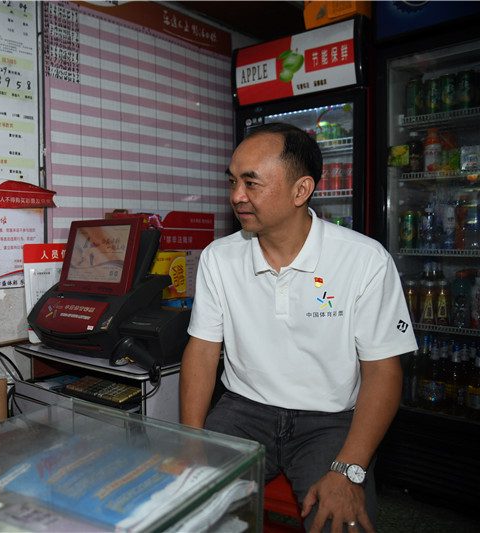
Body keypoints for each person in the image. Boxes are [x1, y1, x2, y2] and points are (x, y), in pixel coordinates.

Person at [179, 123, 417, 533]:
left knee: (341, 521)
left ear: (301, 190)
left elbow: (383, 370)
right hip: (243, 410)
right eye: (233, 181)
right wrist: (190, 439)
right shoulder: (219, 258)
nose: (237, 196)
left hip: (330, 419)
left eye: (251, 183)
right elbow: (201, 350)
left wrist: (349, 470)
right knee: (183, 507)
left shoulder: (364, 260)